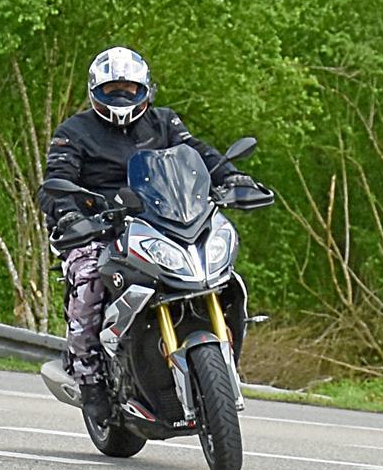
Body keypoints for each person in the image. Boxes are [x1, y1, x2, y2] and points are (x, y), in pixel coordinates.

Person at [36, 46, 254, 427]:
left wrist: (231, 177)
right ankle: (90, 380)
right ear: (95, 91)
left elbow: (197, 154)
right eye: (112, 89)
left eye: (129, 89)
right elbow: (56, 181)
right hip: (101, 227)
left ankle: (219, 360)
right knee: (88, 279)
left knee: (223, 271)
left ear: (146, 90)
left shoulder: (164, 123)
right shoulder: (74, 131)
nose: (121, 97)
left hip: (164, 221)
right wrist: (70, 213)